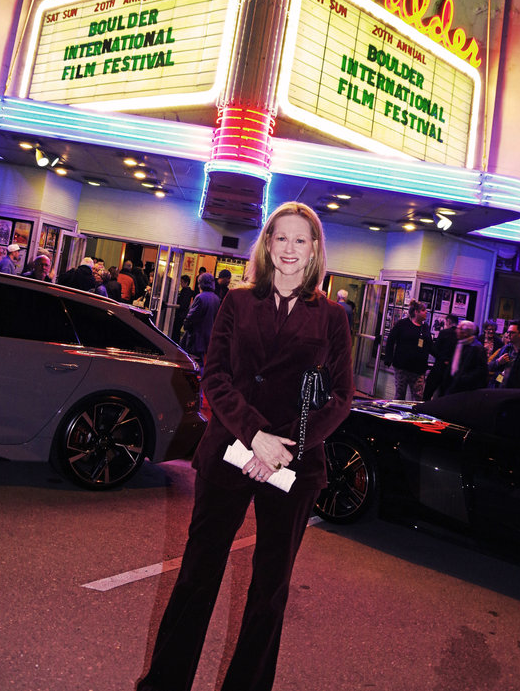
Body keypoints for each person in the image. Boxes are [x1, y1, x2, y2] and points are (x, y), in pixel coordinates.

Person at [134, 201, 353, 691]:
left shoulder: (332, 317)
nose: (290, 249)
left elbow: (341, 398)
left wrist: (285, 448)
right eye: (282, 238)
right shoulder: (237, 301)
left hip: (294, 465)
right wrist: (254, 436)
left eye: (301, 240)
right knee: (196, 576)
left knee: (269, 591)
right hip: (231, 450)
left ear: (315, 248)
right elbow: (214, 376)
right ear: (267, 244)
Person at [384, 299, 432, 401]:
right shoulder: (402, 324)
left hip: (418, 369)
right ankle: (396, 415)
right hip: (402, 367)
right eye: (423, 310)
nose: (426, 312)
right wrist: (388, 357)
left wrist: (442, 358)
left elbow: (430, 346)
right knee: (400, 395)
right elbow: (391, 340)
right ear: (416, 312)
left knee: (418, 397)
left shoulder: (425, 328)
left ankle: (414, 416)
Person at [439, 320, 488, 395]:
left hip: (465, 391)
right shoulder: (459, 344)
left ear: (465, 333)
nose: (456, 331)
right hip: (453, 386)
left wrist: (463, 379)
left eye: (458, 329)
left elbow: (481, 372)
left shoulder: (477, 348)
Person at [181, 272, 221, 364]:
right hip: (207, 337)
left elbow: (191, 317)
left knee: (191, 363)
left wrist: (186, 324)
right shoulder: (216, 298)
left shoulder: (200, 297)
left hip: (196, 337)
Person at [423, 313, 458, 399]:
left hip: (440, 366)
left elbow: (435, 350)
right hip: (453, 369)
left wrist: (442, 358)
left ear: (448, 321)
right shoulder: (460, 335)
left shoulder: (444, 333)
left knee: (428, 391)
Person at [495, 320, 520, 388]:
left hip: (515, 393)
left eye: (512, 333)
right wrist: (498, 362)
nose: (508, 335)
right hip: (498, 388)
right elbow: (490, 366)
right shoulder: (505, 349)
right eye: (508, 332)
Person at [171, 274, 194, 342]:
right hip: (182, 314)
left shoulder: (185, 291)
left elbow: (183, 305)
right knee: (176, 330)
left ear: (186, 283)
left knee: (176, 330)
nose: (181, 284)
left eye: (182, 282)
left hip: (180, 314)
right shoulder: (187, 291)